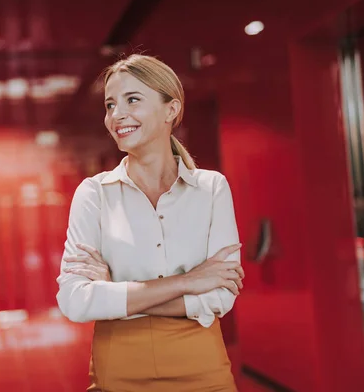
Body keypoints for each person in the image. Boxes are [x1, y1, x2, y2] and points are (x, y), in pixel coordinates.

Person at [56, 54, 244, 391]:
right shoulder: (94, 194)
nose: (117, 115)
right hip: (118, 369)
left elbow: (220, 296)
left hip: (202, 368)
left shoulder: (211, 188)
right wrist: (189, 281)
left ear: (171, 110)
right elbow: (75, 300)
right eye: (110, 104)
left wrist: (115, 292)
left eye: (132, 100)